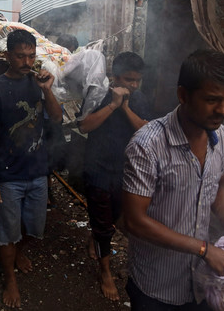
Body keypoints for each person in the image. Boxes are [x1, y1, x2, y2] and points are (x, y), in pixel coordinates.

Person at [122, 49, 224, 310]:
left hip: (201, 282)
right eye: (212, 99)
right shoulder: (147, 146)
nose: (223, 109)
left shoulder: (221, 137)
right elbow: (134, 221)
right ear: (183, 95)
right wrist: (204, 250)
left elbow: (219, 185)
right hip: (157, 285)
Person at [0, 29, 62, 308]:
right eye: (20, 56)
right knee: (8, 232)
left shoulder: (37, 83)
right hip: (8, 175)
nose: (27, 62)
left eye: (31, 56)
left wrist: (47, 90)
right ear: (7, 56)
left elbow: (56, 117)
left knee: (34, 227)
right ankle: (10, 279)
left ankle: (19, 253)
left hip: (37, 172)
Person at [78, 51, 150, 301]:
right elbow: (85, 126)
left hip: (125, 170)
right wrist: (112, 105)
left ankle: (96, 236)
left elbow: (145, 130)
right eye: (129, 80)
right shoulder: (99, 94)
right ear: (114, 77)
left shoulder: (138, 99)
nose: (133, 85)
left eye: (137, 80)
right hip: (97, 168)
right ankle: (105, 272)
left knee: (113, 218)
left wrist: (126, 107)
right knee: (103, 225)